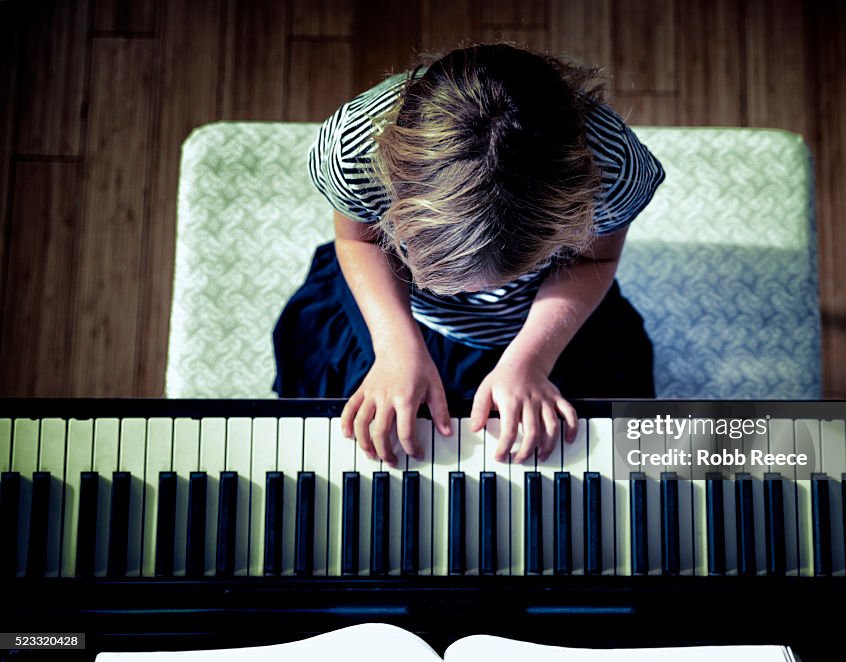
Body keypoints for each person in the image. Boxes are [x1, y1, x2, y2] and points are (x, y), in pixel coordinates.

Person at [273, 43, 664, 467]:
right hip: (397, 309)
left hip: (545, 318)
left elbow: (596, 261)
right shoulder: (354, 150)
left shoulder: (614, 169)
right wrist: (395, 347)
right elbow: (357, 241)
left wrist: (531, 359)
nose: (468, 294)